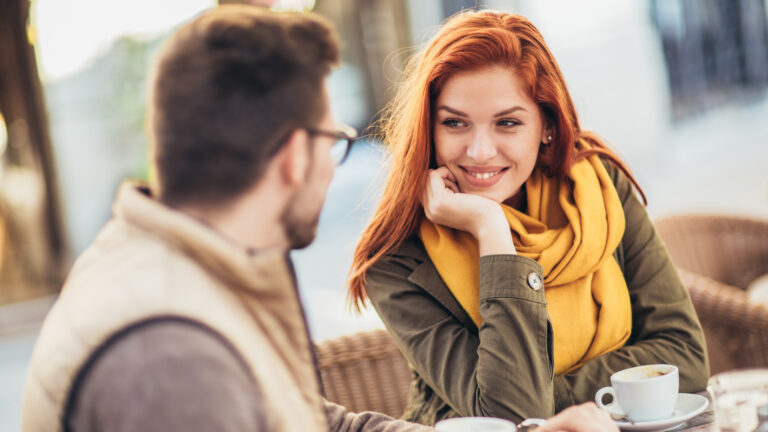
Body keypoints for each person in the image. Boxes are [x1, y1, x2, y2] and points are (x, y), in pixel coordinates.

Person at [20, 5, 616, 432]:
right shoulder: (171, 356)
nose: (336, 168)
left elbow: (309, 417)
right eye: (335, 141)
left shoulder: (173, 261)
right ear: (291, 157)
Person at [348, 10, 709, 426]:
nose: (480, 150)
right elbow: (511, 416)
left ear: (547, 126)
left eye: (507, 123)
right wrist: (491, 230)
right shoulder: (398, 259)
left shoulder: (597, 186)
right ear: (428, 129)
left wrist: (545, 392)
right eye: (454, 123)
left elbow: (685, 354)